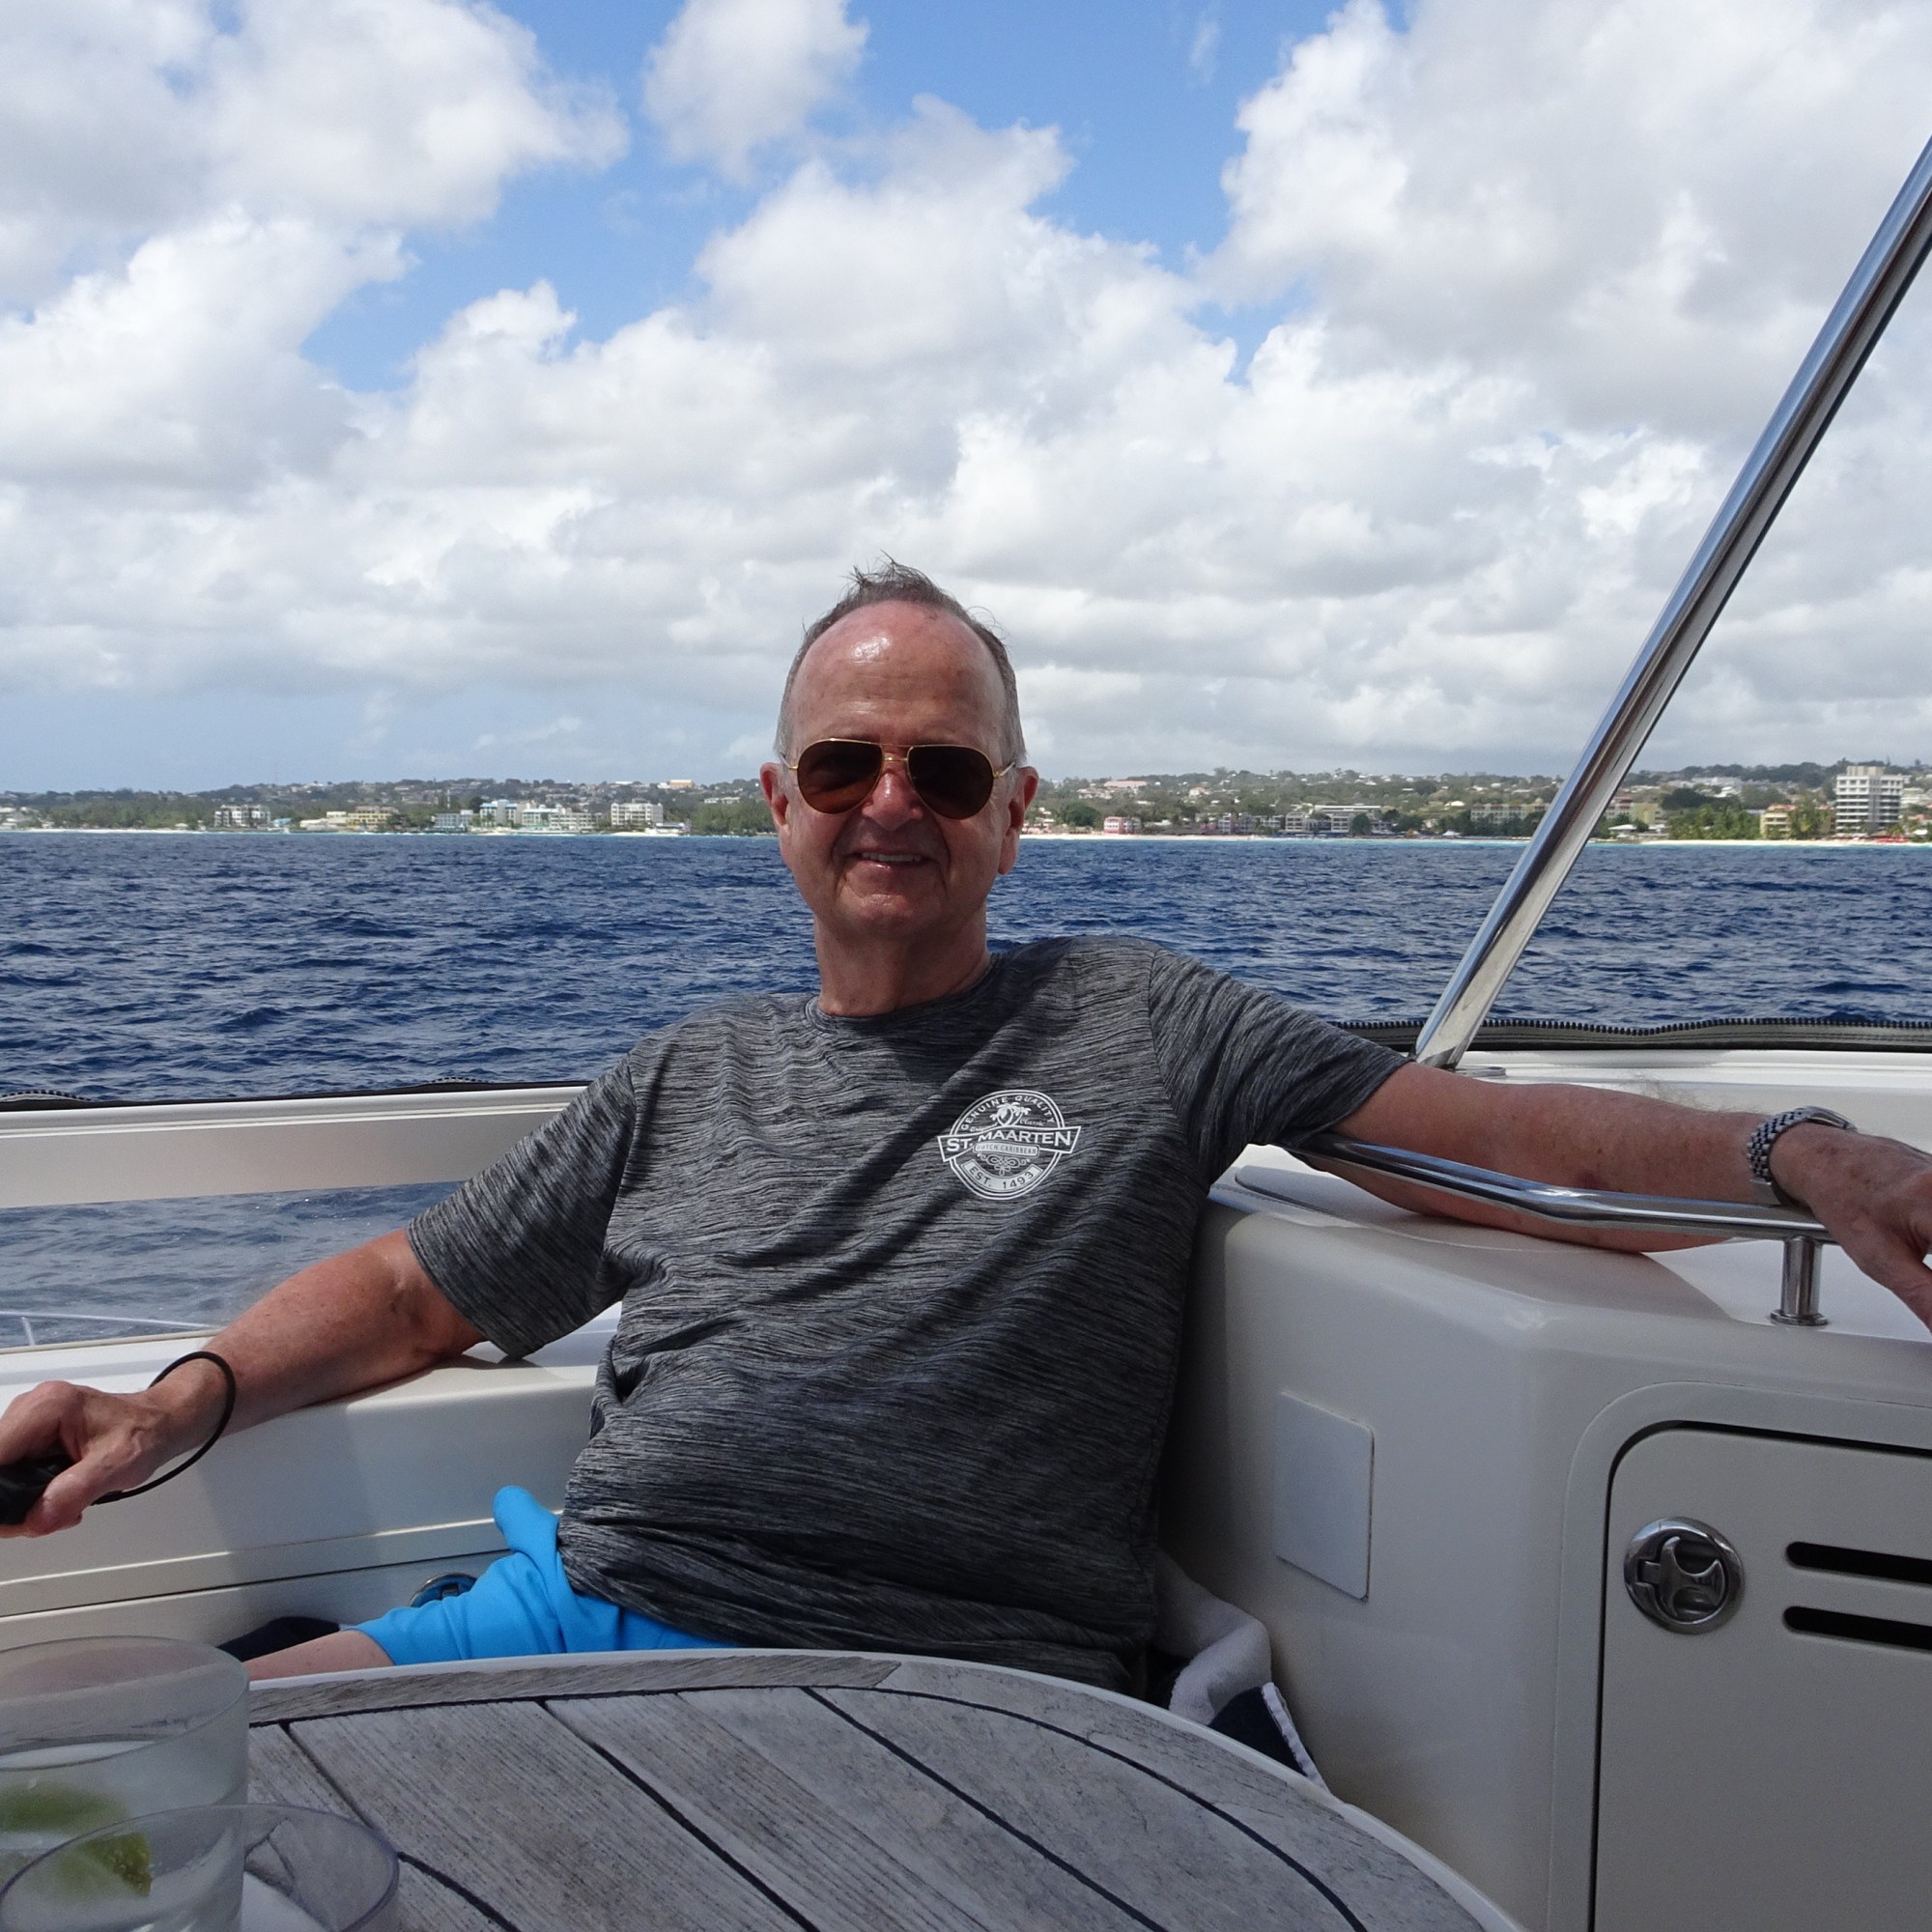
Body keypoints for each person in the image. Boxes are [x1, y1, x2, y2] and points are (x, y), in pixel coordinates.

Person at [5, 563, 1931, 1691]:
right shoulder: (682, 1073)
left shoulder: (1146, 1020)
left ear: (1013, 810)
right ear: (779, 801)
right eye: (845, 762)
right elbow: (416, 1290)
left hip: (959, 1684)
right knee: (121, 1789)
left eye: (941, 767)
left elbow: (1499, 1139)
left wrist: (1800, 1157)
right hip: (571, 1613)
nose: (889, 800)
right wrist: (168, 1406)